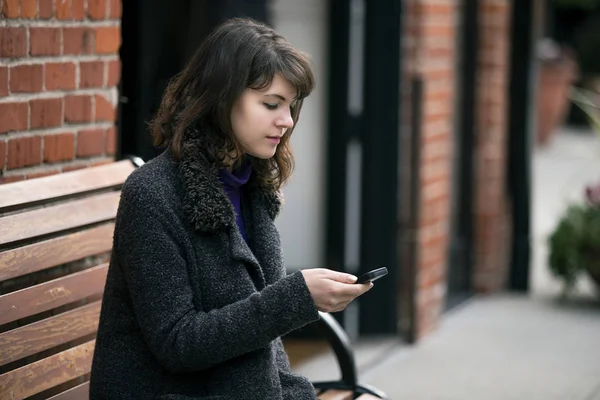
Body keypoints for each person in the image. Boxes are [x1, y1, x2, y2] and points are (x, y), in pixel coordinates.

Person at [89, 17, 372, 400]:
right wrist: (296, 298)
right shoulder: (153, 194)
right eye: (271, 104)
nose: (286, 121)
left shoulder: (251, 186)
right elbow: (178, 344)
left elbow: (259, 339)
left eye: (290, 106)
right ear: (220, 100)